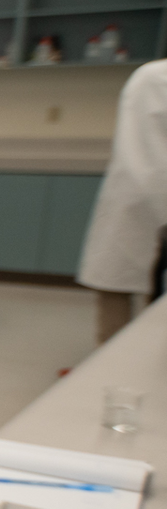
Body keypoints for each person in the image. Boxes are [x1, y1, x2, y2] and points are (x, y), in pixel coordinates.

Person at [77, 59, 167, 343]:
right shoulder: (153, 76)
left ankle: (110, 370)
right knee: (123, 291)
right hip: (142, 196)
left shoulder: (148, 76)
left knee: (116, 291)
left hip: (134, 194)